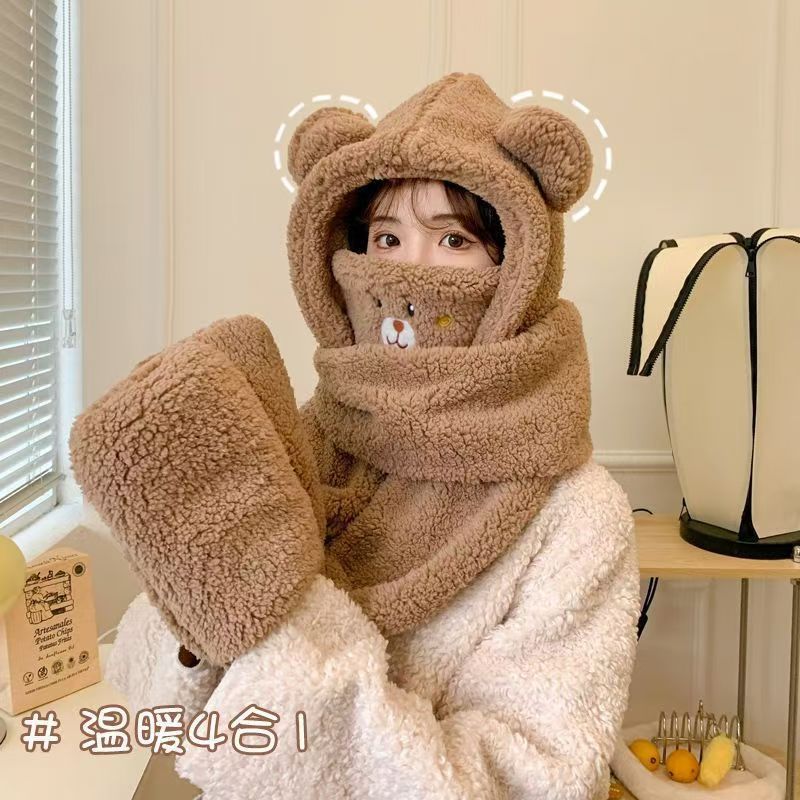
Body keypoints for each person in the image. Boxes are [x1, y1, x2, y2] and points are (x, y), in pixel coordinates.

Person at [71, 72, 641, 799]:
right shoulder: (293, 444)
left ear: (518, 268)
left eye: (454, 239)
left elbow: (529, 782)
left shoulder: (578, 515)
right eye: (386, 238)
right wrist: (201, 605)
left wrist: (288, 623)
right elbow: (154, 698)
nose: (406, 271)